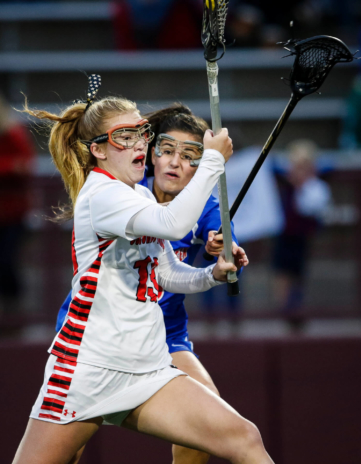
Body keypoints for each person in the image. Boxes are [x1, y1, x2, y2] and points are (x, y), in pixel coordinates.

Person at [13, 75, 273, 464]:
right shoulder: (102, 195)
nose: (138, 144)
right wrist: (212, 159)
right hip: (88, 370)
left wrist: (211, 275)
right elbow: (175, 224)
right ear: (98, 150)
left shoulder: (139, 193)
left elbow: (165, 272)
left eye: (141, 133)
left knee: (245, 439)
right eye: (124, 137)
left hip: (147, 367)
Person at [56, 103, 239, 464]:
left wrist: (223, 248)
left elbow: (216, 235)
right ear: (152, 153)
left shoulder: (202, 204)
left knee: (208, 428)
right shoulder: (124, 193)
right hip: (98, 335)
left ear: (200, 166)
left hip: (163, 335)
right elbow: (171, 222)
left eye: (189, 156)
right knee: (65, 449)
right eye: (167, 150)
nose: (174, 162)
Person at [272, 139, 331, 317]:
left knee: (298, 273)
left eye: (305, 166)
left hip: (302, 237)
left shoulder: (314, 187)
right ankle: (284, 309)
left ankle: (295, 308)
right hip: (285, 235)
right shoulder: (286, 184)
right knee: (282, 272)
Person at [0, 94, 36, 316]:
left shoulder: (12, 134)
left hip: (12, 214)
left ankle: (14, 314)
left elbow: (24, 165)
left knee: (6, 263)